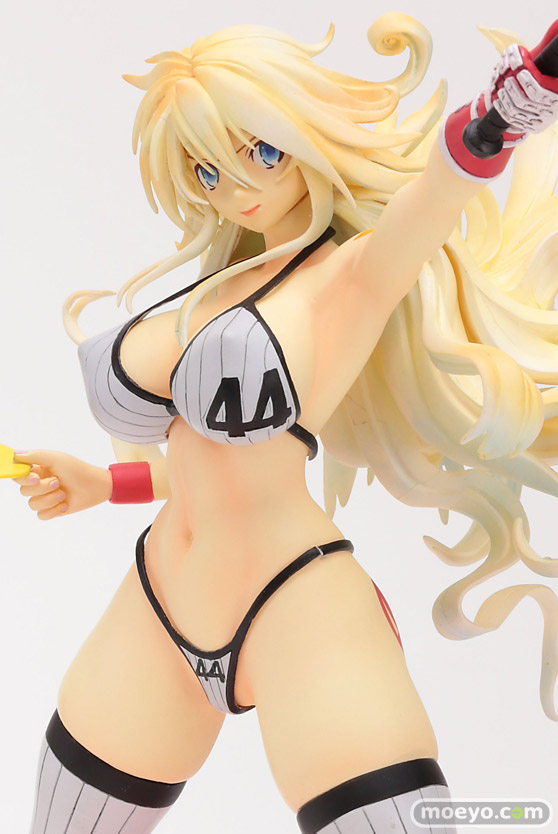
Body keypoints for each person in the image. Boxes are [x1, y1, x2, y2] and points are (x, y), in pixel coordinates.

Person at [12, 13, 558, 834]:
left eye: (261, 151)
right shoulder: (220, 281)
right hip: (158, 602)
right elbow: (208, 458)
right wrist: (103, 481)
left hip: (294, 603)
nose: (237, 186)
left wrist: (505, 112)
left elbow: (435, 196)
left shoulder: (349, 276)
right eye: (207, 169)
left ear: (302, 132)